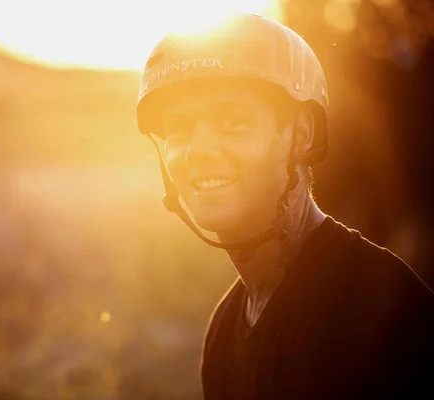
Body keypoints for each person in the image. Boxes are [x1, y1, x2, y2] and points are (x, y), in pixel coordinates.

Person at [135, 14, 434, 399]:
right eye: (179, 128)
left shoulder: (387, 315)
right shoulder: (223, 335)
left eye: (232, 122)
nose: (199, 151)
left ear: (302, 134)